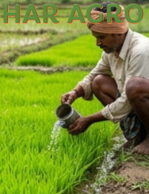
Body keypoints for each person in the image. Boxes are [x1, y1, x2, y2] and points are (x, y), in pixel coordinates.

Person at [62, 3, 149, 154]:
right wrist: (76, 92)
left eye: (101, 37)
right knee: (99, 82)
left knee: (134, 87)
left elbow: (128, 100)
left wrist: (89, 119)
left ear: (118, 32)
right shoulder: (111, 51)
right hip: (140, 104)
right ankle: (137, 136)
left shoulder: (140, 50)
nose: (98, 43)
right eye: (96, 38)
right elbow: (94, 75)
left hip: (140, 96)